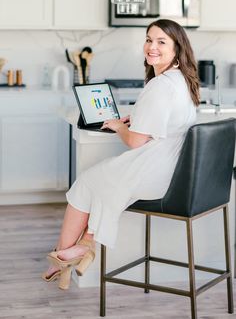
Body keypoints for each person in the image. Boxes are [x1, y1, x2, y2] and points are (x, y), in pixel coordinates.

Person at [42, 18, 200, 290]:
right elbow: (163, 122)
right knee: (95, 184)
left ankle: (66, 256)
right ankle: (78, 249)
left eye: (161, 42)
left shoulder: (161, 86)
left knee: (87, 183)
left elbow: (136, 142)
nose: (152, 47)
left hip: (154, 171)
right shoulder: (181, 79)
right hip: (171, 169)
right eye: (149, 39)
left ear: (178, 48)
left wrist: (117, 126)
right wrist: (137, 117)